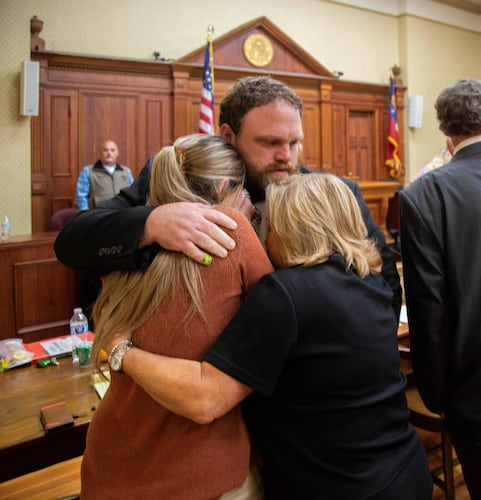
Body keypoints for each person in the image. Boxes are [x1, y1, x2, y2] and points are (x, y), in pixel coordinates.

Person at [106, 173, 433, 500]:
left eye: (270, 227)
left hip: (337, 487)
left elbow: (205, 399)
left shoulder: (286, 295)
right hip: (405, 471)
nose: (266, 238)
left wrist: (120, 348)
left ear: (293, 230)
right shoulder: (369, 279)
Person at [54, 76, 401, 317]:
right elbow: (72, 241)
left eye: (295, 142)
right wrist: (153, 223)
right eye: (270, 142)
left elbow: (385, 287)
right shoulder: (179, 176)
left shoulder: (337, 195)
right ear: (227, 135)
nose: (287, 156)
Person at [80, 134, 273, 499]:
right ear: (222, 187)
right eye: (242, 189)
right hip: (198, 474)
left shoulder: (130, 237)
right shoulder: (233, 227)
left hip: (110, 463)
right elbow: (279, 314)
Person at [399, 78, 481, 499]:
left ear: (446, 133)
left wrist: (435, 394)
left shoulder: (424, 195)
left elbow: (429, 306)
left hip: (478, 397)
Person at [75, 139, 134, 210]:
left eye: (112, 150)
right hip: (99, 215)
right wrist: (86, 215)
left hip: (123, 213)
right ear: (100, 153)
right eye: (105, 150)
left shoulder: (126, 171)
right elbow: (81, 196)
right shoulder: (88, 171)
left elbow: (132, 193)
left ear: (117, 153)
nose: (109, 153)